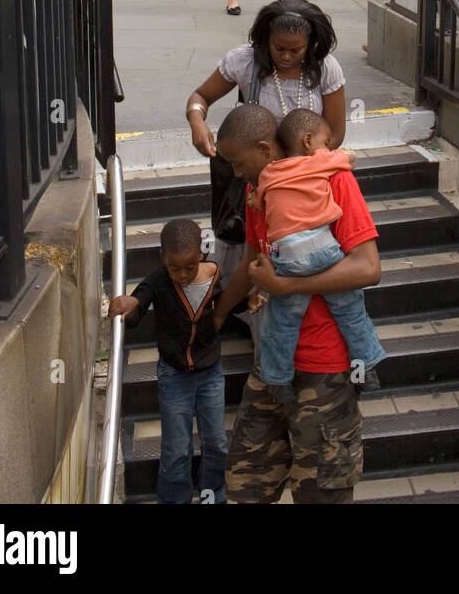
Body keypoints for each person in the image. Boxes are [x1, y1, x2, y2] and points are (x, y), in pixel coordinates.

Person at [213, 104, 381, 504]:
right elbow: (253, 259)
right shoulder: (260, 192)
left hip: (325, 372)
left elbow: (368, 269)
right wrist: (216, 315)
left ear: (264, 149)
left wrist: (284, 286)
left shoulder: (332, 180)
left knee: (321, 494)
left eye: (238, 163)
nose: (235, 173)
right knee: (245, 486)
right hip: (273, 363)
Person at [185, 0, 347, 288]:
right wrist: (197, 121)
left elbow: (335, 133)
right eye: (278, 48)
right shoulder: (244, 61)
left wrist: (303, 168)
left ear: (311, 44)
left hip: (310, 186)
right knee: (254, 254)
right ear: (265, 40)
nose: (285, 56)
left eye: (295, 50)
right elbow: (200, 97)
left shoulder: (326, 68)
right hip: (257, 188)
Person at [250, 108, 384, 400]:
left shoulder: (268, 173)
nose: (328, 148)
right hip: (324, 253)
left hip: (289, 258)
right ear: (308, 141)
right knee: (351, 311)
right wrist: (342, 158)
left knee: (281, 323)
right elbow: (348, 160)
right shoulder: (322, 163)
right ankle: (368, 364)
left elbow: (258, 201)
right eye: (326, 142)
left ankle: (277, 380)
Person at [108, 218, 227, 505]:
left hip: (210, 373)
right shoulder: (159, 280)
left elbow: (227, 302)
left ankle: (213, 495)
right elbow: (140, 301)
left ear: (202, 254)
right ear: (163, 258)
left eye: (190, 266)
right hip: (175, 376)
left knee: (217, 443)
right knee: (176, 449)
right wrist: (131, 305)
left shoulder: (214, 276)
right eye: (175, 268)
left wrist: (250, 300)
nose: (184, 274)